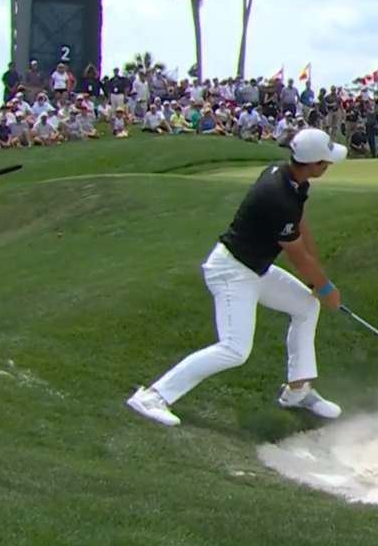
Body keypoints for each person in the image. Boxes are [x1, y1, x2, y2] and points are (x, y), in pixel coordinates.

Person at [125, 128, 349, 427]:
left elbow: (299, 222)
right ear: (313, 163)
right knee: (234, 349)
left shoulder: (290, 180)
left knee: (306, 306)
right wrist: (325, 287)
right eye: (326, 161)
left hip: (256, 269)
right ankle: (153, 396)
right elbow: (296, 256)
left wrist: (319, 280)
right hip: (232, 272)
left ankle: (298, 391)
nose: (329, 165)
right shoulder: (277, 196)